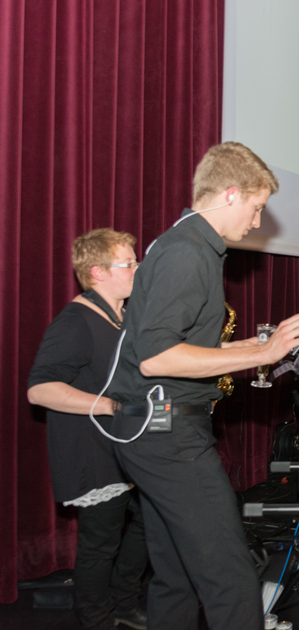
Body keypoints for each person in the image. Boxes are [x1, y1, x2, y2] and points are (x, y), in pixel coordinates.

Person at [108, 142, 299, 630]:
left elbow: (179, 346)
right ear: (230, 193)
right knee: (232, 579)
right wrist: (262, 354)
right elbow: (158, 358)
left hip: (152, 432)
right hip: (171, 437)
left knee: (176, 578)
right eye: (256, 208)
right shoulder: (188, 252)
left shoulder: (183, 244)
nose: (258, 222)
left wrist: (254, 346)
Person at [27, 228, 149, 630]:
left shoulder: (122, 315)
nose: (138, 269)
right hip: (90, 450)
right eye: (128, 264)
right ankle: (96, 618)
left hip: (123, 446)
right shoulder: (76, 321)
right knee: (101, 543)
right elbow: (40, 390)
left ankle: (124, 602)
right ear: (97, 271)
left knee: (152, 522)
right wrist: (111, 405)